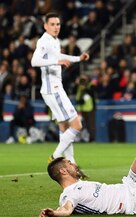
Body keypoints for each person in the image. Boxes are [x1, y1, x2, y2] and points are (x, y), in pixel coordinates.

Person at [31, 12, 90, 177]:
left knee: (64, 129)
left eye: (58, 24)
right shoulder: (44, 41)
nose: (56, 27)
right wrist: (56, 62)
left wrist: (78, 58)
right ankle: (55, 157)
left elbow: (59, 56)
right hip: (53, 90)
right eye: (52, 24)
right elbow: (34, 61)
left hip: (55, 89)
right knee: (76, 125)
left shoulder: (54, 41)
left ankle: (72, 166)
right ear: (45, 26)